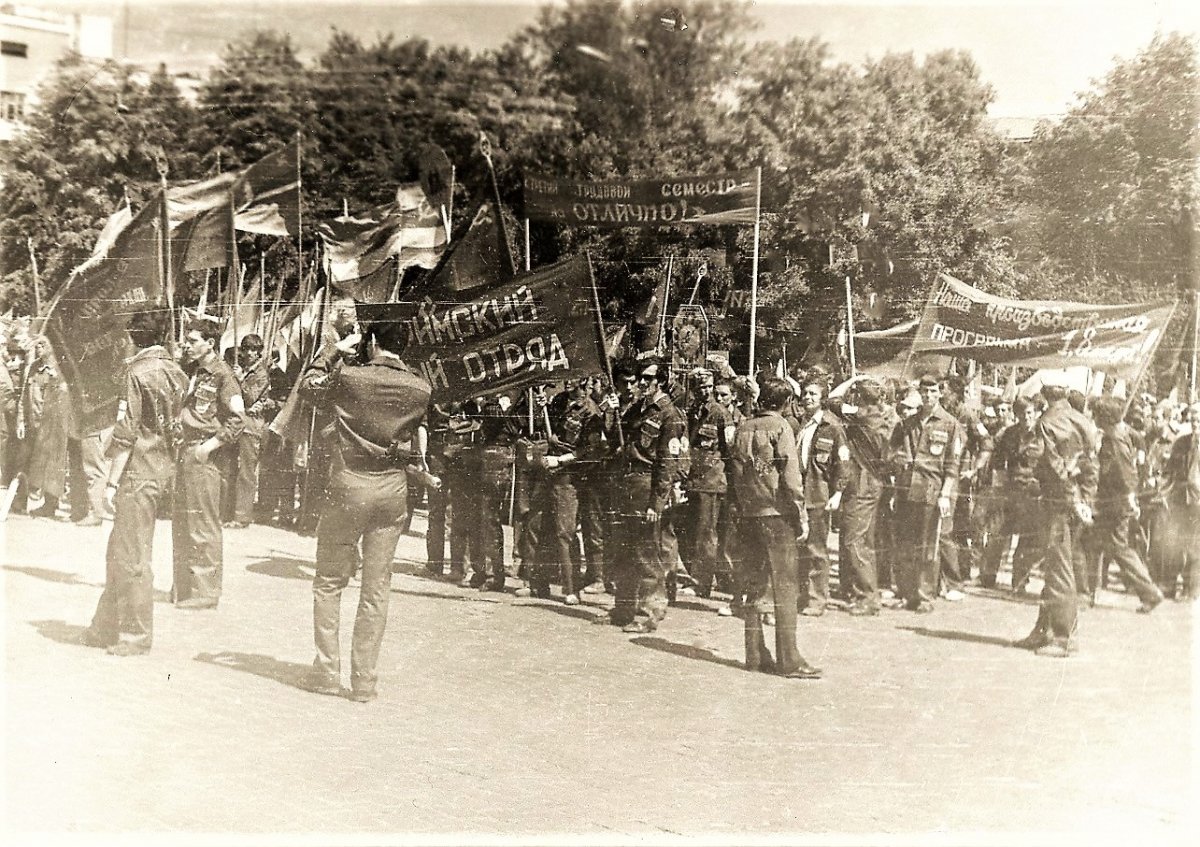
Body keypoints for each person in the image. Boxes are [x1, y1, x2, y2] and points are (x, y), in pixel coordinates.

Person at [299, 307, 432, 702]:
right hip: (392, 489)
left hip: (348, 484)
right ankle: (364, 682)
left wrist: (335, 350)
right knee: (376, 588)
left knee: (328, 582)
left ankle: (326, 672)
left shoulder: (350, 376)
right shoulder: (420, 388)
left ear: (372, 342)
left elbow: (308, 387)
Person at [81, 306, 187, 656]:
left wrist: (110, 483)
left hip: (138, 472)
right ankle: (104, 626)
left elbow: (126, 433)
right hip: (163, 470)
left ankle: (136, 634)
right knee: (120, 550)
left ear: (133, 337)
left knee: (132, 555)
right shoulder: (177, 372)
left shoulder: (137, 373)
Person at [727, 376, 821, 679]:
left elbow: (741, 471)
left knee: (754, 585)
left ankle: (754, 655)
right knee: (785, 589)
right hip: (777, 515)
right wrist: (801, 513)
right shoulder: (782, 428)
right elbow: (791, 478)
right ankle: (789, 660)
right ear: (787, 402)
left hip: (748, 514)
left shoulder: (742, 428)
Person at [598, 361, 688, 633]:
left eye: (646, 378)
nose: (639, 382)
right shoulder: (637, 409)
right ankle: (623, 608)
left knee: (648, 553)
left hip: (647, 485)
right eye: (639, 377)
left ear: (659, 381)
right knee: (624, 550)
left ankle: (650, 612)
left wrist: (657, 502)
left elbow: (667, 462)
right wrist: (613, 413)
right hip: (628, 484)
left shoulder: (669, 415)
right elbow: (618, 443)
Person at [1012, 374, 1097, 657]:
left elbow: (1052, 467)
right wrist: (1085, 498)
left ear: (1045, 395)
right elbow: (1090, 462)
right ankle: (1044, 630)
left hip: (1057, 503)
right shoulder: (1082, 420)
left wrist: (1072, 498)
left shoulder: (1046, 423)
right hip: (1075, 503)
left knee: (1059, 570)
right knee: (1057, 567)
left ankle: (1062, 637)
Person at [172, 318, 246, 609]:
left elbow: (239, 419)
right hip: (185, 450)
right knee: (183, 521)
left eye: (193, 341)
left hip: (204, 454)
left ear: (210, 343)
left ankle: (205, 592)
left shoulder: (223, 375)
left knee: (203, 523)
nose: (187, 345)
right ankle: (185, 587)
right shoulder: (194, 371)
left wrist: (210, 446)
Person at [889, 374, 965, 613]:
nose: (928, 396)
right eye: (924, 392)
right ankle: (907, 593)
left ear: (940, 393)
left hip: (931, 491)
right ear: (919, 393)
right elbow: (895, 452)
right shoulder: (908, 423)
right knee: (906, 545)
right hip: (907, 489)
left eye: (933, 392)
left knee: (927, 546)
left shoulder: (950, 424)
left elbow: (953, 463)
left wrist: (945, 494)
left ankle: (924, 596)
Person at [1090, 397, 1164, 612]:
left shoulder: (1114, 440)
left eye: (1096, 415)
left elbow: (1125, 473)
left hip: (1114, 503)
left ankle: (1150, 592)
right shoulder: (1116, 436)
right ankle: (1087, 593)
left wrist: (1129, 497)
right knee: (1100, 544)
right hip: (1114, 501)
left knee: (1118, 547)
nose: (1094, 419)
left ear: (1104, 417)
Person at [837, 379, 892, 615]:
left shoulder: (861, 415)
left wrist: (850, 380)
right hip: (872, 482)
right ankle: (867, 592)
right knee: (864, 541)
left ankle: (867, 596)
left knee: (853, 540)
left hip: (862, 483)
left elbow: (831, 401)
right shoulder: (880, 417)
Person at [794, 377, 847, 616]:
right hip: (800, 496)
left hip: (818, 495)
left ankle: (817, 601)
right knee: (800, 549)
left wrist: (837, 493)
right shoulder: (802, 424)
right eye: (805, 393)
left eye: (813, 394)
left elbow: (843, 463)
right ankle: (801, 596)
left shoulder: (832, 426)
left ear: (823, 398)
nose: (807, 397)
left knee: (817, 550)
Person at [18, 336, 70, 518]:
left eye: (43, 344)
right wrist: (20, 420)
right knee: (25, 462)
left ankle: (50, 505)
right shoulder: (33, 367)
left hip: (50, 427)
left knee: (52, 466)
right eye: (37, 344)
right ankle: (19, 502)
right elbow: (24, 396)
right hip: (32, 424)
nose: (39, 348)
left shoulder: (58, 369)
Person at [227, 334, 275, 529]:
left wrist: (240, 379)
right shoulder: (243, 369)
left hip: (252, 426)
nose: (248, 353)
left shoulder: (261, 373)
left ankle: (242, 516)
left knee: (246, 472)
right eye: (245, 349)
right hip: (239, 424)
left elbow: (252, 397)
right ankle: (231, 511)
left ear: (259, 352)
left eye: (253, 350)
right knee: (234, 469)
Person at [1160, 402, 1200, 601]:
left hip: (1198, 501)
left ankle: (1191, 589)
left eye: (1199, 420)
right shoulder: (1182, 443)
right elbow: (1169, 471)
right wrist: (1164, 491)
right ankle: (1169, 586)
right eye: (1193, 420)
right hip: (1180, 499)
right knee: (1174, 542)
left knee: (1195, 545)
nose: (1195, 424)